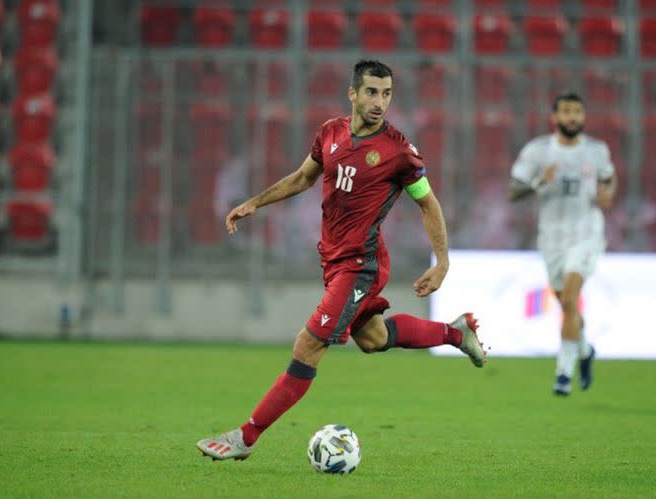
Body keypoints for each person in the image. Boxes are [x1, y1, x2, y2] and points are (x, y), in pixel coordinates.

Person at [196, 60, 486, 461]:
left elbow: (428, 204)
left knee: (308, 345)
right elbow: (303, 177)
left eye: (386, 94)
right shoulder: (330, 132)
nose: (379, 102)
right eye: (371, 92)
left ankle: (245, 438)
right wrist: (255, 203)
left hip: (360, 265)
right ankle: (457, 333)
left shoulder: (399, 151)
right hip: (333, 261)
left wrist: (442, 261)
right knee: (373, 338)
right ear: (352, 93)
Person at [508, 92, 616, 396]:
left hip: (587, 233)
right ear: (554, 117)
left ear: (583, 117)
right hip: (552, 237)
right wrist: (539, 181)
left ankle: (563, 374)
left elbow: (608, 178)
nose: (572, 117)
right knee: (565, 303)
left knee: (570, 296)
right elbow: (513, 191)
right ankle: (585, 350)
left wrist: (607, 193)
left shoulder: (596, 150)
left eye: (577, 112)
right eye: (566, 111)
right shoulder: (538, 151)